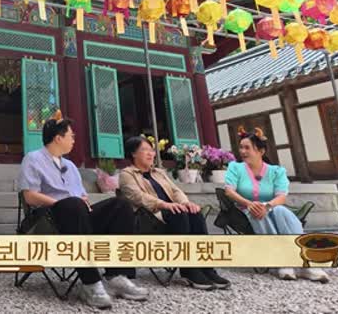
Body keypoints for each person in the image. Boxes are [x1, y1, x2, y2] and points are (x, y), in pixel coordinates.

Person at [18, 112, 148, 308]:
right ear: (58, 138)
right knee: (72, 204)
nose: (74, 140)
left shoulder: (70, 165)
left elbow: (82, 196)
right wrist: (63, 203)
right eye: (71, 136)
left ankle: (117, 276)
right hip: (48, 220)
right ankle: (90, 283)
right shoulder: (33, 159)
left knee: (120, 205)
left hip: (78, 217)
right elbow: (29, 195)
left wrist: (82, 201)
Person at [119, 136, 230, 290]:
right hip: (150, 218)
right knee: (179, 214)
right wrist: (164, 204)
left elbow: (176, 190)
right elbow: (137, 196)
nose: (150, 154)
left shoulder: (159, 172)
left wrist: (186, 203)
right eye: (145, 150)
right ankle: (189, 269)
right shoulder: (127, 174)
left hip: (172, 212)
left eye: (151, 150)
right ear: (133, 153)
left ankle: (207, 268)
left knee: (194, 212)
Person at [224, 127, 330, 283]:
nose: (242, 151)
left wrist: (267, 206)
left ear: (261, 151)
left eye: (247, 148)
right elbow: (229, 191)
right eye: (241, 147)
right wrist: (249, 204)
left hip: (271, 208)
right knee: (257, 214)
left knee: (280, 210)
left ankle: (304, 263)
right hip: (245, 210)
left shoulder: (276, 171)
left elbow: (281, 197)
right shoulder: (235, 168)